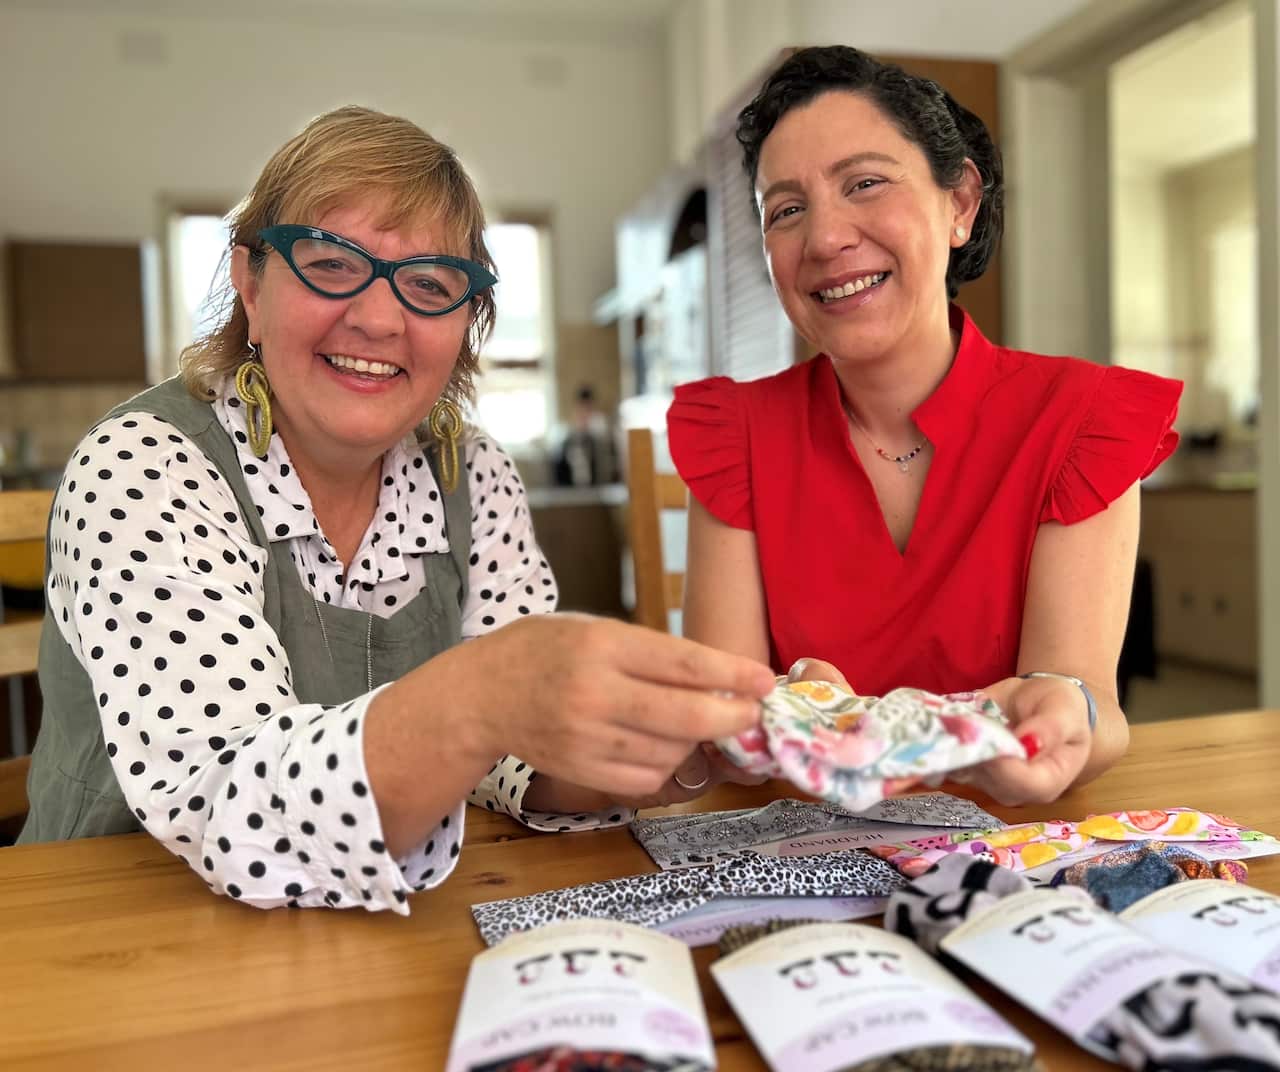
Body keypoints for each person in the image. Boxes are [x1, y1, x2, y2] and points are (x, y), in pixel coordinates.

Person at [19, 106, 775, 910]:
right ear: (251, 284)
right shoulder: (147, 465)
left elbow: (504, 755)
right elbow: (233, 809)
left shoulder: (470, 471)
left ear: (466, 324)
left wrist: (654, 753)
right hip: (113, 929)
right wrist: (486, 691)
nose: (379, 319)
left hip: (374, 932)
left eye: (428, 284)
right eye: (329, 263)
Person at [667, 47, 1182, 808]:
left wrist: (1065, 719)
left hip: (1007, 840)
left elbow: (1088, 702)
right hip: (801, 845)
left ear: (960, 203)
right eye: (786, 210)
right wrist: (756, 719)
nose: (824, 239)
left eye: (865, 183)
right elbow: (720, 725)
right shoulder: (735, 435)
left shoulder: (1079, 421)